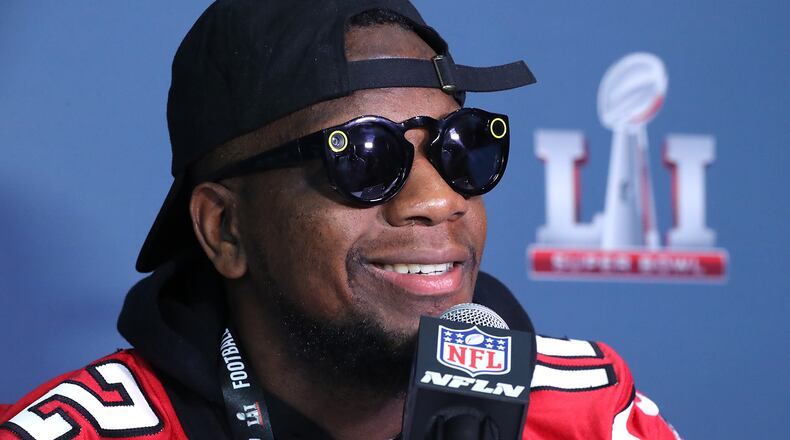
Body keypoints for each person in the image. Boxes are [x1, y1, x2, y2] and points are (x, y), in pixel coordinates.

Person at [0, 1, 681, 439]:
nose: (438, 199)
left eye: (462, 148)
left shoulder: (592, 413)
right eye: (363, 155)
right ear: (224, 229)